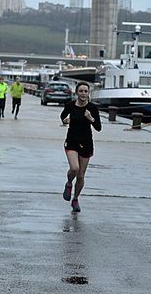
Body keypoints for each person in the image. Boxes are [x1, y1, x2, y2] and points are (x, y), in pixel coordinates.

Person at [60, 81, 102, 213]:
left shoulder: (92, 108)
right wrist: (65, 120)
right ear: (76, 92)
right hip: (72, 141)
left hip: (86, 142)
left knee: (81, 175)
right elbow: (63, 116)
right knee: (75, 168)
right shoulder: (70, 105)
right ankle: (68, 184)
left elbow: (98, 128)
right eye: (81, 91)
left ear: (88, 93)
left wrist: (91, 119)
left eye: (85, 91)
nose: (83, 94)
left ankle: (75, 199)